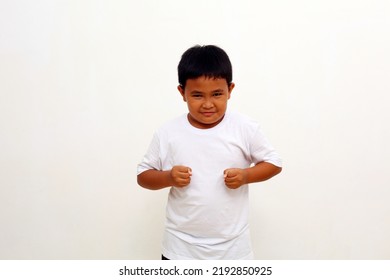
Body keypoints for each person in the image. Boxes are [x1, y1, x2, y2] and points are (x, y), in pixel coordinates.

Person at [137, 45, 282, 260]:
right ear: (182, 93)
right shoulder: (168, 133)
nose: (207, 104)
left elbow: (274, 163)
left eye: (217, 94)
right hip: (180, 249)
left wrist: (245, 176)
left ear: (230, 90)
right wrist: (168, 177)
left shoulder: (244, 127)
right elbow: (143, 176)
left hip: (233, 250)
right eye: (197, 95)